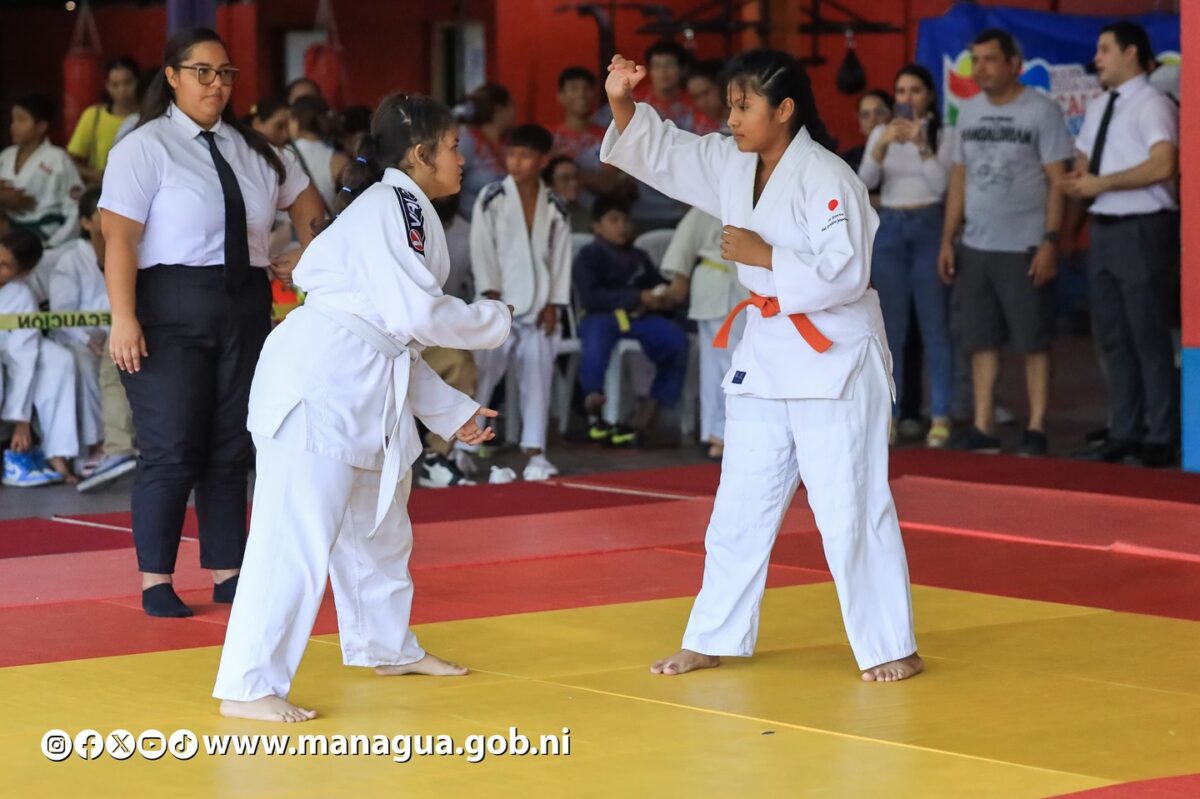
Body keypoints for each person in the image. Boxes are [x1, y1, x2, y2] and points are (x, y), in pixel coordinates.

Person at [601, 49, 921, 681]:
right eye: (730, 105)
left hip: (835, 356)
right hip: (767, 348)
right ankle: (713, 633)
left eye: (743, 106)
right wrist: (621, 101)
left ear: (784, 109)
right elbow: (665, 152)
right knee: (739, 503)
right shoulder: (730, 163)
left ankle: (891, 646)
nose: (732, 118)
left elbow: (848, 272)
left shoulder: (830, 178)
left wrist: (765, 254)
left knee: (850, 506)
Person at [212, 93, 512, 723]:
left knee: (378, 529)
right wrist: (496, 321)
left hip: (362, 379)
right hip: (318, 386)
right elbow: (414, 317)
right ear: (422, 154)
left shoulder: (408, 209)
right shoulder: (394, 205)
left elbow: (391, 334)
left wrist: (449, 410)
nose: (463, 158)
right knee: (292, 539)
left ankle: (386, 646)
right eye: (454, 147)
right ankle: (248, 684)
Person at [99, 27, 325, 618]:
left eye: (226, 74)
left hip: (245, 304)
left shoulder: (259, 149)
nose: (216, 84)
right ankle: (156, 581)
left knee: (231, 447)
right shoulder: (143, 147)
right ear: (172, 76)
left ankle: (230, 573)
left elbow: (312, 212)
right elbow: (118, 237)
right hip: (167, 306)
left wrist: (307, 253)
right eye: (203, 71)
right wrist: (123, 318)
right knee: (172, 449)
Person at [937, 29, 1072, 456]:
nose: (981, 68)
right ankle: (983, 426)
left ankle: (1035, 427)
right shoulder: (969, 112)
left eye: (990, 59)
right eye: (975, 60)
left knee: (1033, 341)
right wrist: (947, 239)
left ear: (1015, 63)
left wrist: (1051, 241)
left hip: (1025, 247)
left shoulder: (1042, 110)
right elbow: (959, 177)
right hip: (976, 246)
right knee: (981, 340)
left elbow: (1058, 182)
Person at [1063, 23, 1178, 467]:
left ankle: (1161, 433)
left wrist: (1101, 182)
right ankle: (1125, 428)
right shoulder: (1098, 106)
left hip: (1143, 227)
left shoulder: (1152, 104)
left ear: (1131, 53)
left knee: (1147, 333)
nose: (1097, 58)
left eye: (1105, 50)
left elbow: (1164, 164)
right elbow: (1085, 164)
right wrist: (1072, 186)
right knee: (1113, 335)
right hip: (1106, 226)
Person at [858, 65, 955, 448]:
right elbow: (863, 183)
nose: (907, 97)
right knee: (890, 330)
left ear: (929, 95)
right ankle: (891, 417)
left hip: (929, 223)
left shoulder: (943, 134)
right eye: (901, 91)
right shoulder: (882, 133)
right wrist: (880, 148)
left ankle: (942, 415)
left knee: (935, 327)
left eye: (916, 90)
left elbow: (942, 186)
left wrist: (921, 145)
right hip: (891, 228)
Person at [469, 124, 571, 481]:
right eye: (512, 154)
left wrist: (554, 303)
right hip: (498, 303)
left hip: (539, 303)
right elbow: (481, 248)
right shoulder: (492, 196)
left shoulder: (555, 203)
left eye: (526, 155)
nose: (516, 162)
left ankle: (535, 453)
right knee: (482, 374)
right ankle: (465, 448)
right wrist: (490, 292)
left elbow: (560, 258)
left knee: (538, 377)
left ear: (543, 160)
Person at [573, 196, 688, 448]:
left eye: (625, 220)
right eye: (613, 220)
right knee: (595, 338)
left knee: (676, 340)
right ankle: (593, 400)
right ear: (597, 226)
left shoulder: (638, 256)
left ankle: (649, 411)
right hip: (603, 316)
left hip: (639, 318)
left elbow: (657, 284)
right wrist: (637, 296)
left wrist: (662, 298)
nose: (622, 226)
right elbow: (591, 296)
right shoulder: (589, 255)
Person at [660, 206, 747, 460]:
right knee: (724, 363)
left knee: (725, 362)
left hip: (737, 286)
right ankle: (720, 433)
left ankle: (719, 433)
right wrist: (679, 278)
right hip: (718, 285)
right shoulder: (712, 194)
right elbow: (685, 239)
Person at [0, 228, 79, 486]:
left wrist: (21, 421)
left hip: (10, 349)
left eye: (4, 266)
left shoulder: (20, 295)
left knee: (59, 360)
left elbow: (24, 355)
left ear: (24, 273)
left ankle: (57, 452)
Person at [416, 193, 481, 489]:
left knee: (460, 362)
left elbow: (476, 284)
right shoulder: (402, 221)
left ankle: (436, 457)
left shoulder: (467, 232)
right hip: (386, 332)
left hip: (433, 331)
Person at [48, 187, 108, 472]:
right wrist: (87, 338)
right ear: (85, 222)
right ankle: (97, 444)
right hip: (76, 337)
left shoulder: (127, 251)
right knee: (85, 363)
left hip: (114, 332)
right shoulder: (70, 260)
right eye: (101, 213)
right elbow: (62, 313)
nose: (108, 219)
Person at [0, 94, 84, 248]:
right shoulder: (6, 156)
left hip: (45, 235)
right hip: (8, 233)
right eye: (13, 120)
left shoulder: (58, 159)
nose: (13, 126)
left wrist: (52, 244)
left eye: (21, 120)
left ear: (41, 127)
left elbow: (75, 211)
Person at [67, 56, 140, 185]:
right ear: (107, 87)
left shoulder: (148, 116)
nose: (122, 90)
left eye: (127, 83)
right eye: (115, 85)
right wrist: (94, 175)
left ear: (138, 82)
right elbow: (71, 159)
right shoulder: (94, 116)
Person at [458, 83, 515, 219]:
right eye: (512, 106)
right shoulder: (468, 142)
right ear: (499, 110)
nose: (514, 113)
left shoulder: (511, 143)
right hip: (468, 227)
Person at [289, 94, 349, 214]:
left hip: (289, 230)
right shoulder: (339, 160)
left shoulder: (280, 155)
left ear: (295, 123)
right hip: (328, 229)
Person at [841, 89, 892, 173]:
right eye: (865, 115)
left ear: (890, 115)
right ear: (860, 123)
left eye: (879, 112)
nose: (872, 119)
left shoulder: (904, 152)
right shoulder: (851, 158)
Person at [544, 155, 591, 233]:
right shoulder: (540, 216)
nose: (574, 183)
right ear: (550, 185)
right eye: (565, 178)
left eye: (577, 177)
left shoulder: (587, 215)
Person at [686, 59, 730, 135]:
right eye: (695, 97)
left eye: (706, 93)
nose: (702, 103)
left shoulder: (743, 120)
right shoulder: (691, 124)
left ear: (722, 86)